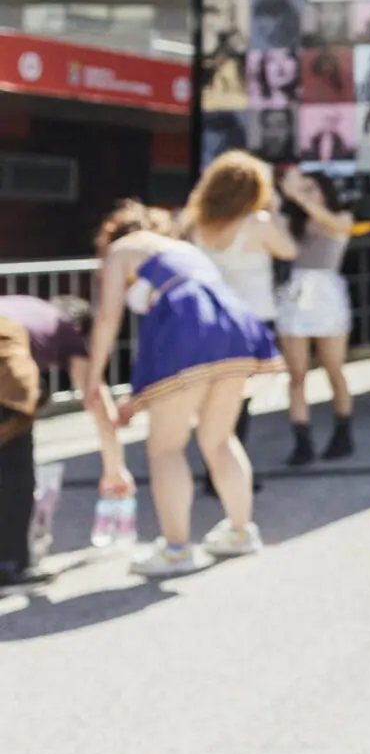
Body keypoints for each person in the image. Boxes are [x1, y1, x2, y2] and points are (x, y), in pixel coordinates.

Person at [86, 195, 279, 577]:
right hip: (232, 324)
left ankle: (176, 549)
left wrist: (93, 378)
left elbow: (108, 319)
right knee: (219, 439)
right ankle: (241, 531)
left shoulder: (122, 250)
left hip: (187, 329)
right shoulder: (180, 248)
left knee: (165, 448)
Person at [184, 151, 297, 496]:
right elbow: (289, 250)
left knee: (212, 397)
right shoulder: (258, 223)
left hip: (206, 319)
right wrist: (275, 210)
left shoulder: (195, 224)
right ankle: (227, 473)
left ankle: (211, 469)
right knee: (240, 401)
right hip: (250, 320)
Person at [0, 295, 95, 586]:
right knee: (14, 473)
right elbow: (93, 393)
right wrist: (114, 458)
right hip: (4, 374)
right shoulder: (66, 327)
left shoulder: (24, 305)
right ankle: (9, 564)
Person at [277, 169, 357, 465]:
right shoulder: (292, 222)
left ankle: (343, 432)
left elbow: (331, 223)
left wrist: (297, 194)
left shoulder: (342, 217)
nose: (306, 193)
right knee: (296, 374)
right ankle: (302, 441)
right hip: (294, 296)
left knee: (333, 368)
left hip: (326, 295)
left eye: (312, 187)